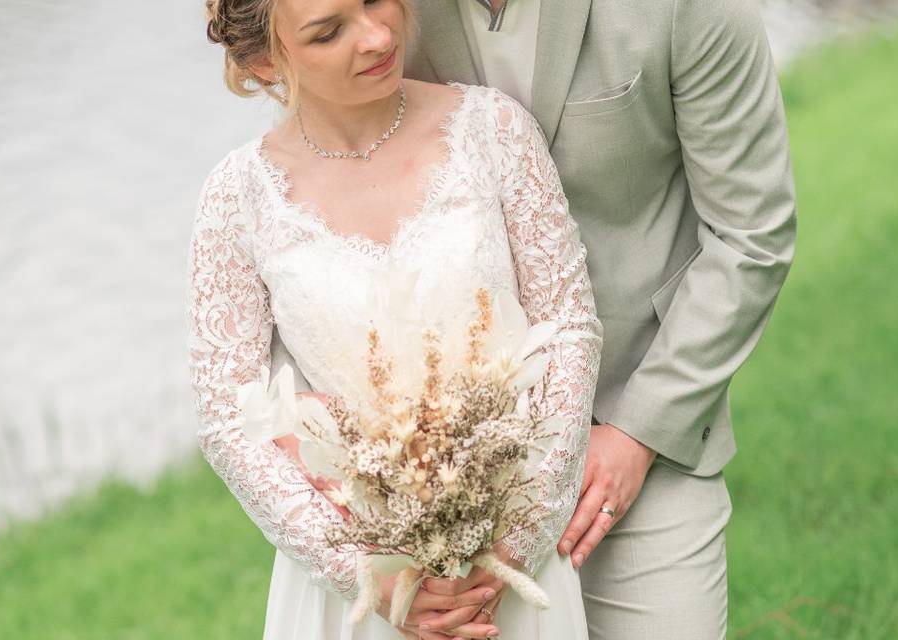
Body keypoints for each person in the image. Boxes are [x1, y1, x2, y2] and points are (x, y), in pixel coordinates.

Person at [186, 0, 602, 638]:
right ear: (268, 60)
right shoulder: (237, 199)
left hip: (513, 559)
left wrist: (517, 542)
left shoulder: (493, 129)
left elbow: (568, 323)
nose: (379, 37)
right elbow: (227, 418)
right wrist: (364, 574)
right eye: (329, 32)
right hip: (360, 581)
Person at [402, 1, 798, 638]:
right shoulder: (378, 16)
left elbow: (751, 236)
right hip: (448, 476)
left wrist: (639, 432)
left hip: (636, 423)